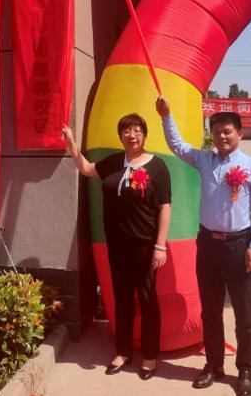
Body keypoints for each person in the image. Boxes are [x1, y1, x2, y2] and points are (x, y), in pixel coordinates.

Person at [156, 96, 251, 396]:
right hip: (207, 244)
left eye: (227, 131)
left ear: (240, 134)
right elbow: (177, 146)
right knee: (210, 310)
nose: (221, 136)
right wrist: (166, 116)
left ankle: (245, 370)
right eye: (217, 131)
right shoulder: (204, 159)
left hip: (238, 246)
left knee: (244, 312)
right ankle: (214, 365)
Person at [62, 114, 171, 380]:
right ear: (120, 135)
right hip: (117, 246)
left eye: (136, 129)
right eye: (126, 130)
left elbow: (164, 207)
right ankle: (122, 352)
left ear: (144, 135)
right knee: (122, 299)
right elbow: (87, 169)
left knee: (147, 301)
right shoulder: (113, 162)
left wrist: (160, 246)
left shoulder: (157, 166)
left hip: (145, 246)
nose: (131, 134)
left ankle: (149, 355)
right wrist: (72, 145)